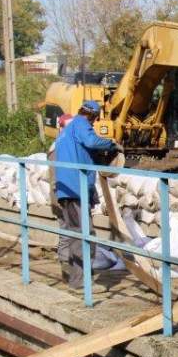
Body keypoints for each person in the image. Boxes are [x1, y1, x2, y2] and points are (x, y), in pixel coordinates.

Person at [53, 100, 120, 289]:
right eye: (95, 121)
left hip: (67, 189)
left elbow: (83, 150)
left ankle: (78, 280)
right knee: (85, 236)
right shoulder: (81, 124)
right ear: (93, 116)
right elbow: (91, 141)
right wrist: (111, 144)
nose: (93, 124)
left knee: (77, 235)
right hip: (76, 188)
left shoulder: (68, 130)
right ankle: (81, 283)